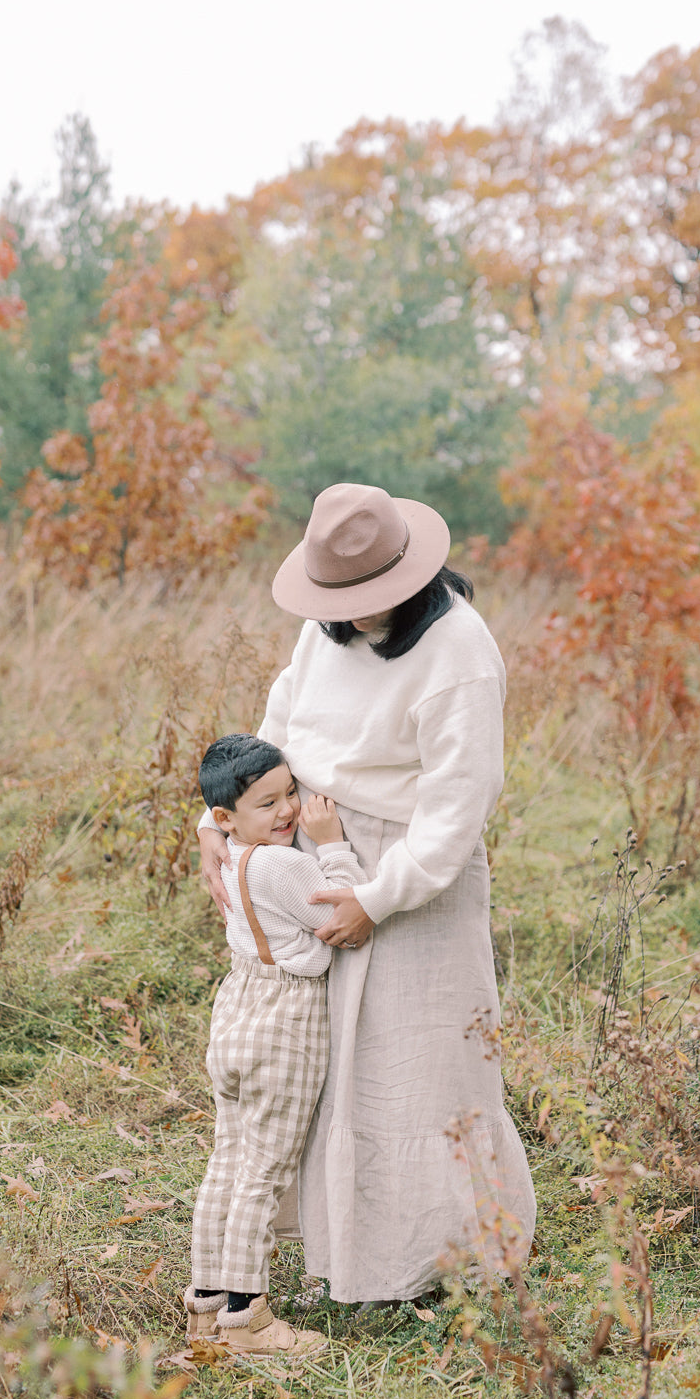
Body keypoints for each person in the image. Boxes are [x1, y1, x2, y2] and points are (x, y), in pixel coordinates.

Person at [199, 482, 537, 1310]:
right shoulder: (325, 629)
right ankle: (338, 1251)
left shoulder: (459, 651)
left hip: (413, 872)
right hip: (309, 845)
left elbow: (459, 806)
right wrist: (226, 828)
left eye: (357, 601)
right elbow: (278, 731)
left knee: (414, 1065)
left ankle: (434, 1261)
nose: (341, 615)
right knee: (330, 1066)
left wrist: (378, 898)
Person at [185, 733, 368, 1355]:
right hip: (283, 1020)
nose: (289, 810)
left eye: (290, 792)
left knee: (227, 1163)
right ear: (225, 818)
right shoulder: (283, 864)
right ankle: (249, 1318)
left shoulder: (232, 857)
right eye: (269, 804)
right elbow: (341, 914)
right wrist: (334, 844)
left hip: (236, 1007)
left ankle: (205, 1310)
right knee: (263, 1170)